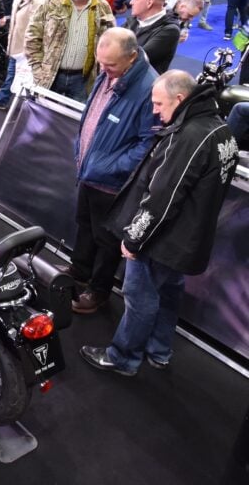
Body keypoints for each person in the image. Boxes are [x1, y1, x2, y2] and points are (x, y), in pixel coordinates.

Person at [80, 71, 239, 375]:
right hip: (188, 241)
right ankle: (159, 350)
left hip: (162, 240)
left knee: (139, 297)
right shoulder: (221, 131)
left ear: (179, 99)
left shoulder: (190, 136)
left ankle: (123, 357)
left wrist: (133, 239)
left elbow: (163, 198)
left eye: (158, 103)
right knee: (168, 294)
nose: (154, 110)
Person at [62, 28, 158, 315]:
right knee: (85, 225)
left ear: (131, 57)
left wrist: (111, 167)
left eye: (110, 65)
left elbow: (148, 143)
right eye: (101, 62)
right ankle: (79, 270)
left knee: (107, 240)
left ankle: (99, 290)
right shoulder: (110, 72)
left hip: (114, 184)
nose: (103, 69)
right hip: (91, 173)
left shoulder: (148, 89)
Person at [24, 0, 115, 102]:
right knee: (43, 120)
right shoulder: (52, 2)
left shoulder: (103, 8)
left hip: (83, 81)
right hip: (50, 78)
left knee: (75, 122)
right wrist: (37, 70)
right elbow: (32, 36)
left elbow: (110, 43)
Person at [124, 0, 181, 74]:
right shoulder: (134, 19)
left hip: (142, 83)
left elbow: (137, 58)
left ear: (149, 3)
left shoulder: (169, 31)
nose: (131, 2)